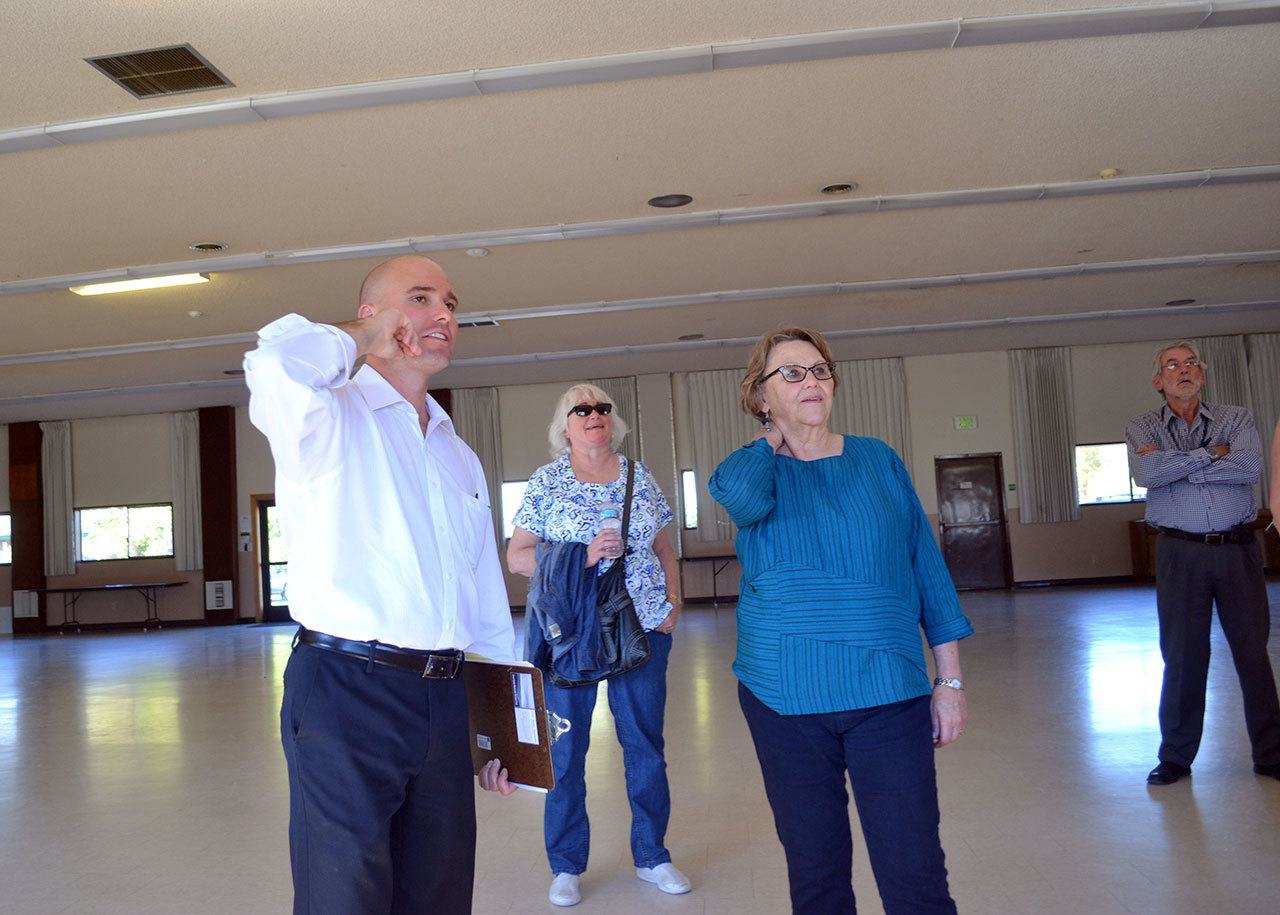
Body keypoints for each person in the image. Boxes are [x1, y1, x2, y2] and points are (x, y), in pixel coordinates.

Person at [244, 255, 518, 915]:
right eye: (420, 298)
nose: (443, 315)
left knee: (439, 894)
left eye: (450, 303)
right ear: (371, 314)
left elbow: (481, 596)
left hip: (446, 698)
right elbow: (275, 362)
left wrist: (500, 726)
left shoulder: (457, 452)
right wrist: (368, 340)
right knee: (346, 898)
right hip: (345, 690)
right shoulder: (325, 417)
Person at [708, 327, 972, 915]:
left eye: (821, 370)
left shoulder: (878, 459)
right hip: (783, 700)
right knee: (817, 874)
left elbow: (925, 567)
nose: (812, 381)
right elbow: (746, 502)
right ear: (760, 396)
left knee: (916, 872)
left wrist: (948, 679)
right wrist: (776, 437)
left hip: (888, 692)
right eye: (792, 373)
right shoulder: (749, 470)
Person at [507, 383, 689, 907]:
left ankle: (653, 856)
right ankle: (566, 865)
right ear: (564, 426)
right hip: (572, 634)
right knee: (565, 753)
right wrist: (579, 556)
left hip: (643, 626)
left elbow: (664, 549)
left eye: (602, 408)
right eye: (580, 410)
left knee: (645, 749)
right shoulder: (547, 482)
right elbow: (518, 556)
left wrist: (673, 603)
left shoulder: (639, 476)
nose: (594, 416)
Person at [1126, 340, 1280, 786]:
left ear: (1203, 374)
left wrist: (1179, 465)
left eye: (1191, 362)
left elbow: (1250, 467)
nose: (1183, 370)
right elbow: (1148, 475)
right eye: (1172, 365)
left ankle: (1271, 754)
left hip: (1238, 551)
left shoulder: (1237, 418)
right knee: (1182, 657)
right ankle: (1175, 757)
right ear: (1159, 381)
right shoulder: (1142, 426)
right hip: (1179, 554)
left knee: (1253, 654)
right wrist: (1213, 453)